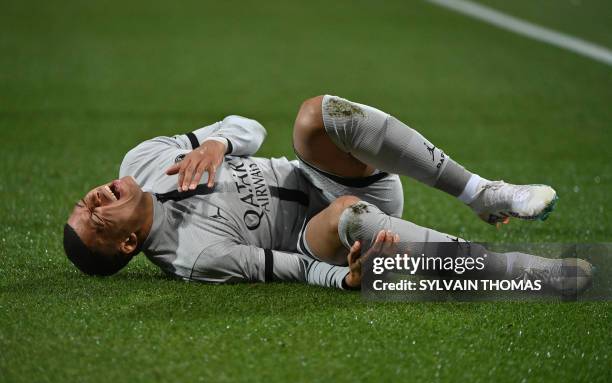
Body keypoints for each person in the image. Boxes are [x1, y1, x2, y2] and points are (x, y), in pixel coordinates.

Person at [63, 95, 592, 293]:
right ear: (130, 243)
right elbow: (282, 266)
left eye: (84, 203)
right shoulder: (191, 256)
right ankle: (526, 270)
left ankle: (482, 192)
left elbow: (249, 127)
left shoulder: (141, 160)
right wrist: (345, 276)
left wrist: (220, 141)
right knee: (342, 215)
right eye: (97, 218)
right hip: (327, 235)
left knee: (316, 115)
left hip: (337, 176)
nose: (91, 200)